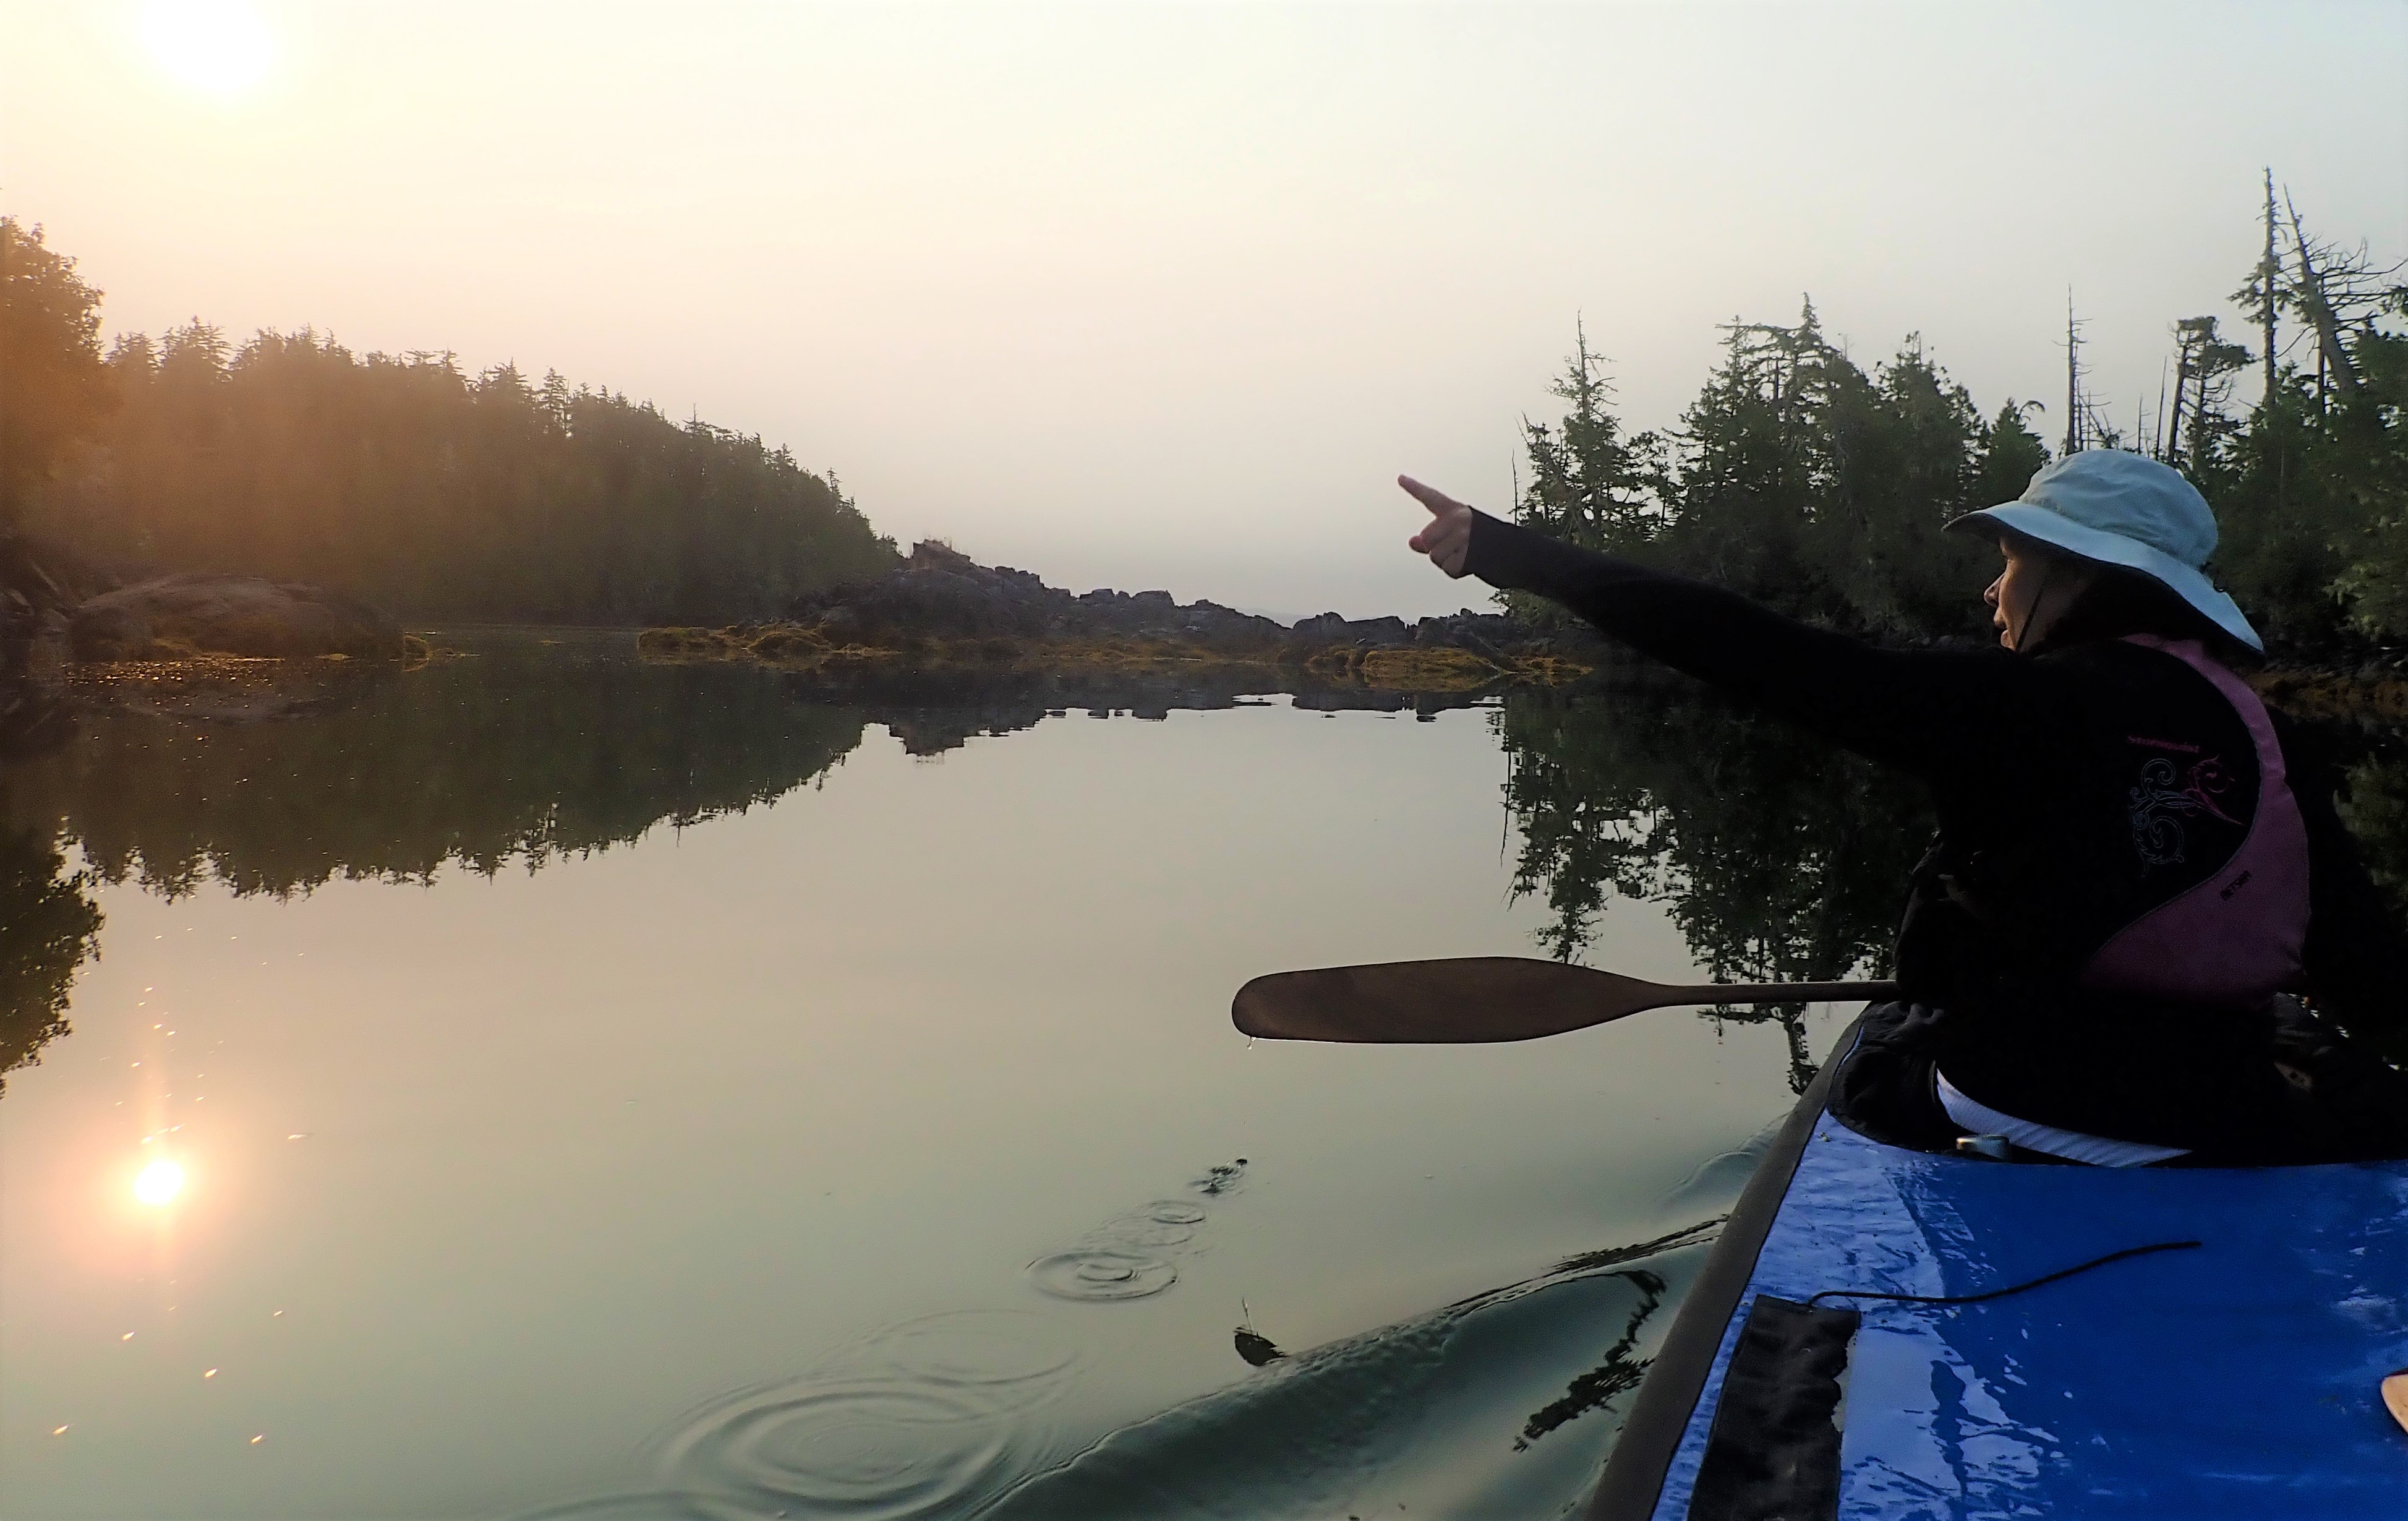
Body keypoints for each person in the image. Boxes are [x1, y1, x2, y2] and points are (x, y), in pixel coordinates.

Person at [1401, 450, 2408, 1167]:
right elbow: (2361, 967)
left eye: (2009, 561)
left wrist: (1506, 551)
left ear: (2071, 573)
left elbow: (1744, 646)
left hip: (2026, 1108)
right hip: (2228, 1119)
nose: (1992, 592)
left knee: (1884, 1062)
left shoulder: (2005, 704)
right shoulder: (2270, 736)